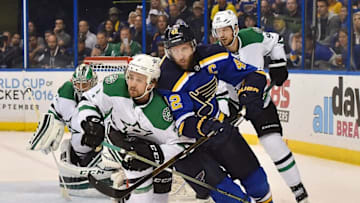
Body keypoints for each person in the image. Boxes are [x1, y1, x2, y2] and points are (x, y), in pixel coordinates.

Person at [157, 23, 273, 203]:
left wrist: (250, 92)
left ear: (193, 45)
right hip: (187, 148)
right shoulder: (165, 77)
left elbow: (254, 74)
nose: (180, 56)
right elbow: (185, 123)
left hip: (219, 131)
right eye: (174, 51)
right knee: (232, 199)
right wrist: (210, 126)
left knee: (259, 184)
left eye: (184, 49)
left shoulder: (212, 55)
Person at [212, 10, 309, 203]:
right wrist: (225, 110)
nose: (221, 35)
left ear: (236, 29)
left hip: (258, 99)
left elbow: (276, 40)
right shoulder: (215, 54)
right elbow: (217, 86)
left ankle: (299, 190)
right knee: (226, 146)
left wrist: (279, 63)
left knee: (273, 143)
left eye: (225, 30)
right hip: (232, 103)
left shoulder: (252, 37)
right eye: (218, 31)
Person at [75, 54, 195, 203]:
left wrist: (154, 154)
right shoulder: (115, 85)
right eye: (130, 77)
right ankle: (130, 181)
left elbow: (185, 144)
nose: (132, 84)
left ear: (151, 84)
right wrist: (91, 120)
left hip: (152, 147)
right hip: (119, 138)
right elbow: (88, 101)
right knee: (140, 179)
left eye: (139, 80)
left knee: (161, 186)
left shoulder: (161, 113)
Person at [27, 64, 113, 197]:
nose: (80, 89)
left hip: (99, 142)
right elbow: (55, 114)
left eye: (84, 85)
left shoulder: (102, 95)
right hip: (80, 145)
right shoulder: (66, 94)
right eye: (77, 84)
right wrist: (51, 123)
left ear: (94, 83)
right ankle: (79, 163)